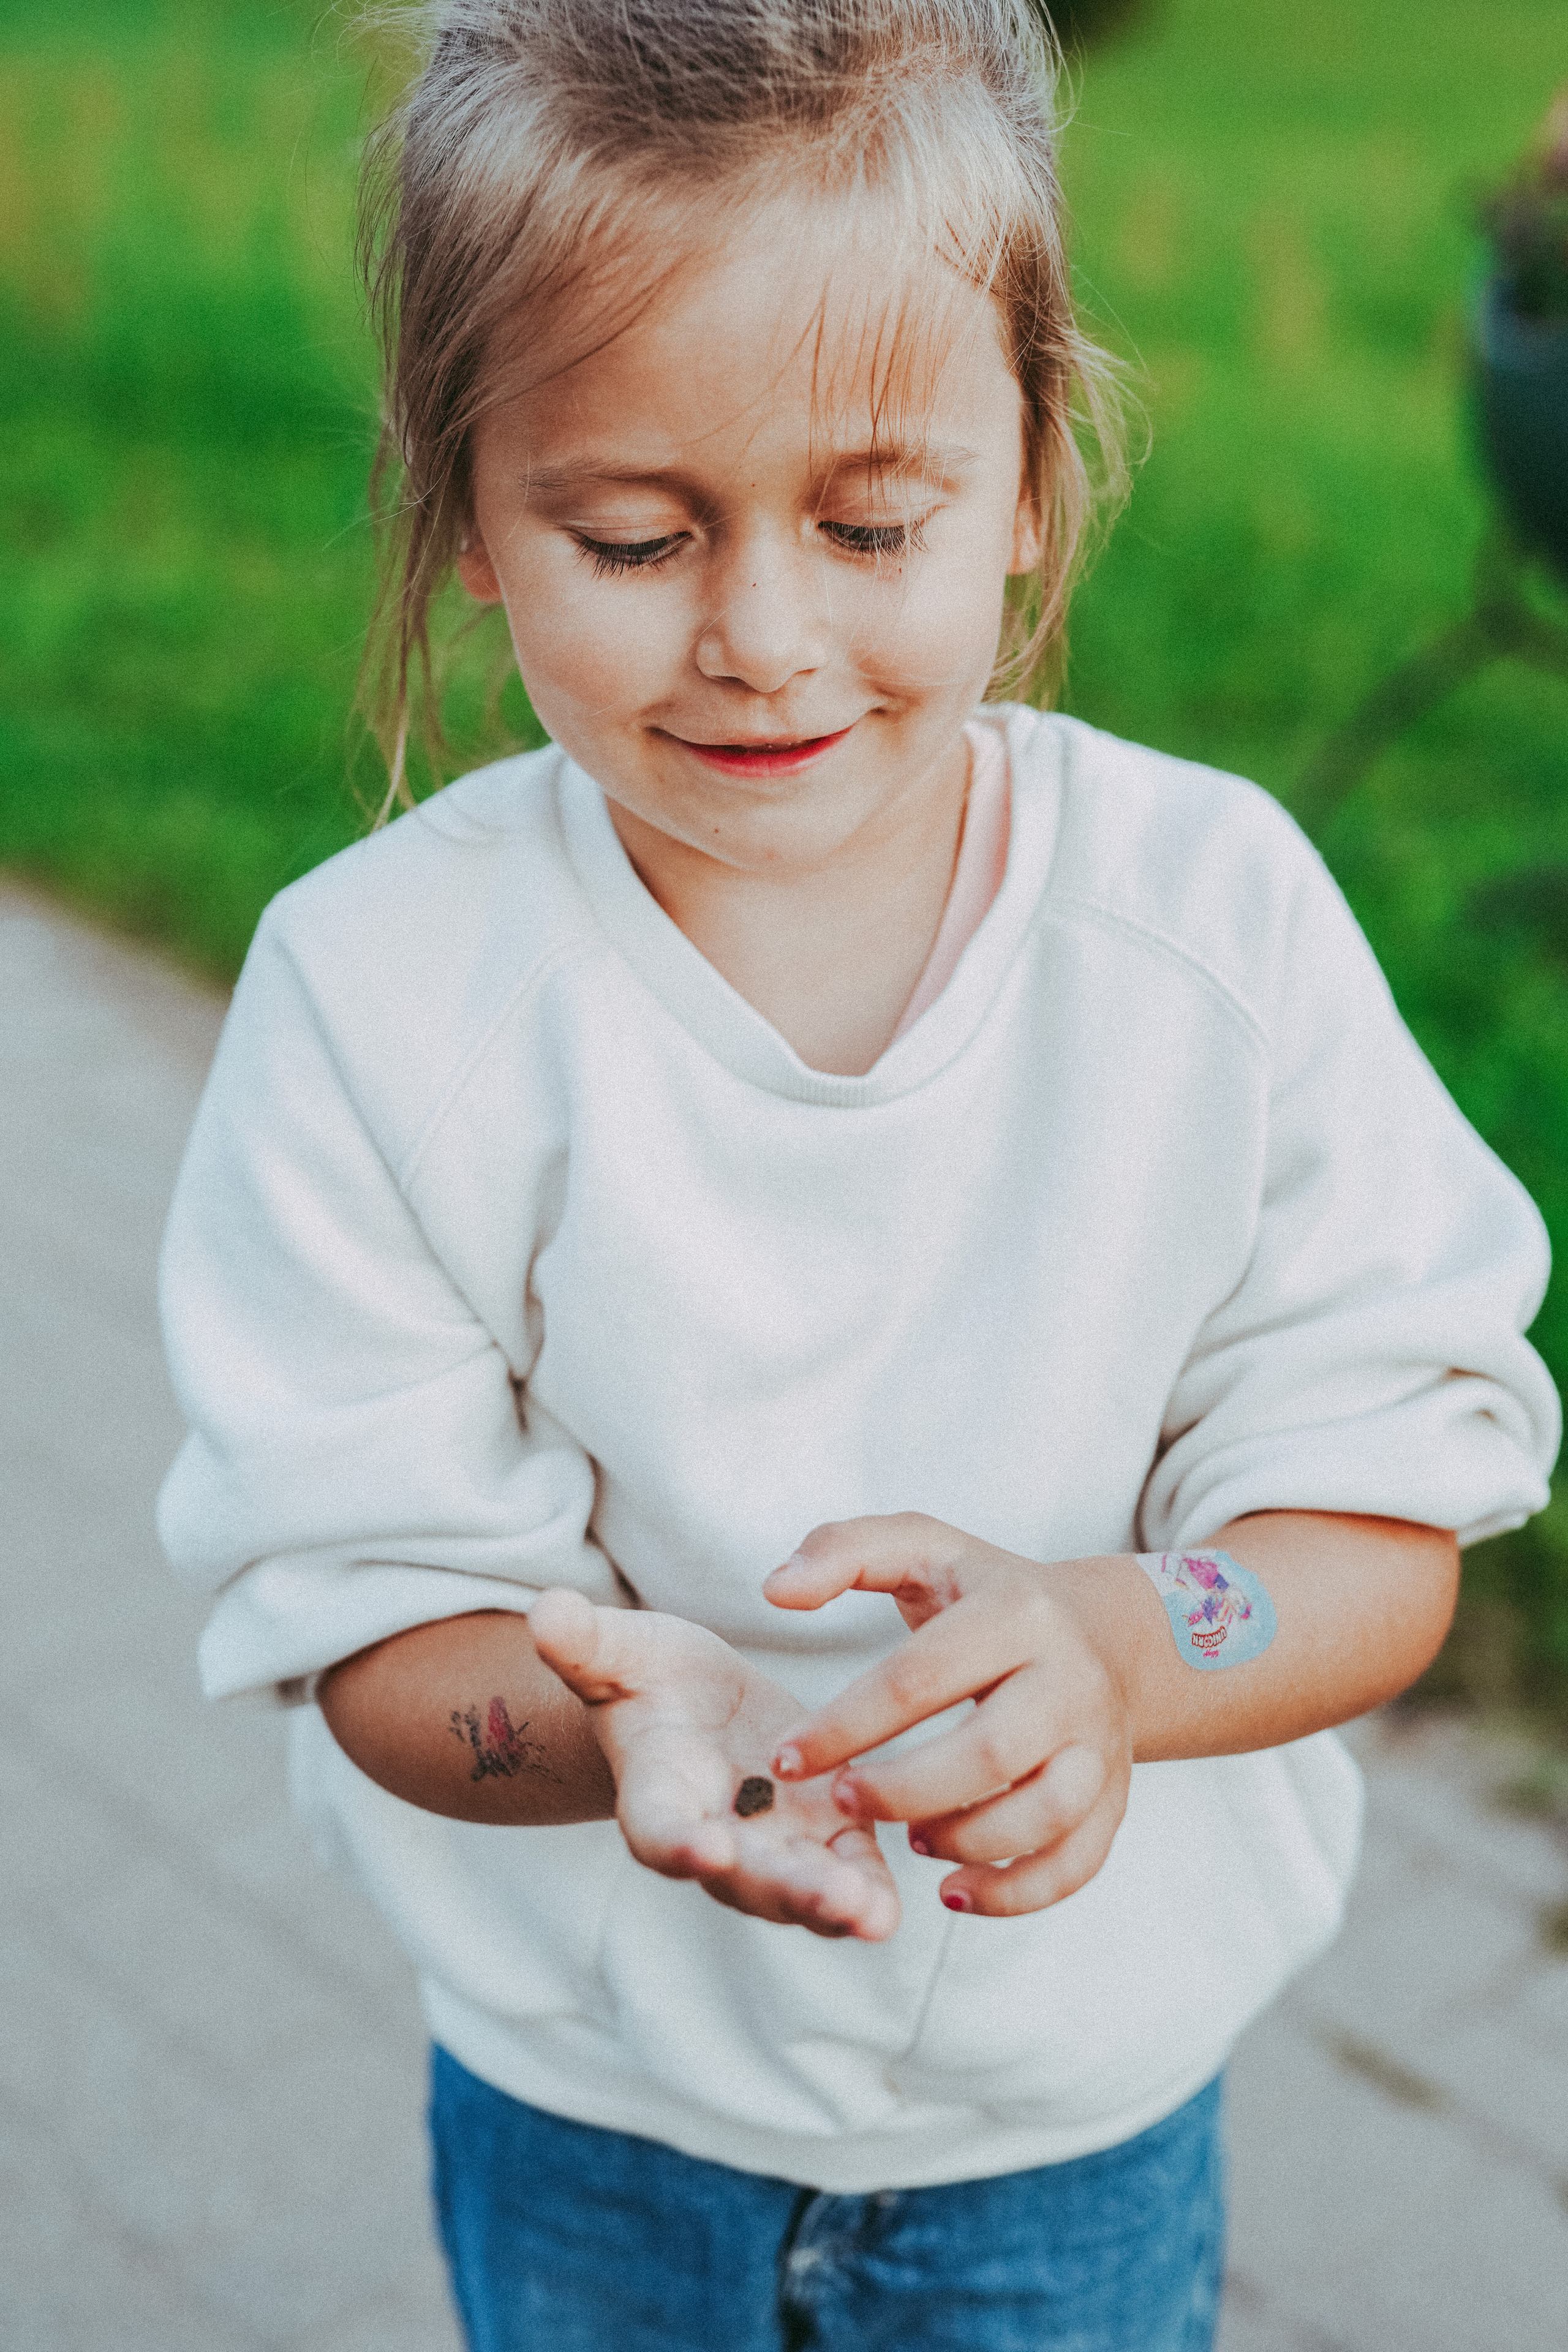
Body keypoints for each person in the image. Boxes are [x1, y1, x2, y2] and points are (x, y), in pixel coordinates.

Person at [156, 4, 1559, 2346]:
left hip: (1073, 2135)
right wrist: (627, 1727)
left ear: (1031, 477)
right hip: (594, 2115)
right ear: (471, 511)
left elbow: (1377, 1532)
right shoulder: (381, 1003)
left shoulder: (1209, 937)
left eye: (873, 520)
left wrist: (1129, 1644)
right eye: (631, 532)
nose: (763, 637)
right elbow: (370, 1633)